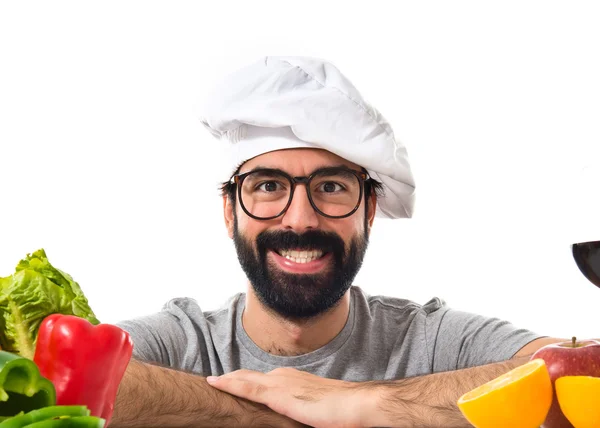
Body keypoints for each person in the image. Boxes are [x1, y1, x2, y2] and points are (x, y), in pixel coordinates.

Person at [111, 56, 565, 428]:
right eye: (268, 186)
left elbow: (581, 368)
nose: (300, 219)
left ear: (368, 211)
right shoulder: (182, 343)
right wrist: (268, 413)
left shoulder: (432, 343)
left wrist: (363, 404)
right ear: (230, 212)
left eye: (330, 187)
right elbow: (59, 380)